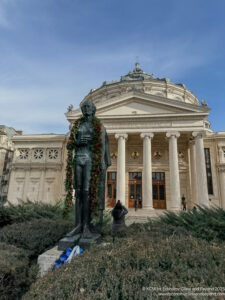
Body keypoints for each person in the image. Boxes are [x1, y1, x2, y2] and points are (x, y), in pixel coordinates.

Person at [67, 100, 111, 238]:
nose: (86, 109)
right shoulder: (77, 125)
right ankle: (78, 225)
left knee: (86, 191)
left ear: (94, 109)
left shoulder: (98, 126)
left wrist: (103, 163)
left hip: (90, 160)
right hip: (78, 158)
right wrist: (78, 142)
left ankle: (87, 225)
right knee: (78, 192)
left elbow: (103, 145)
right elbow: (70, 144)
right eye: (84, 107)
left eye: (89, 107)